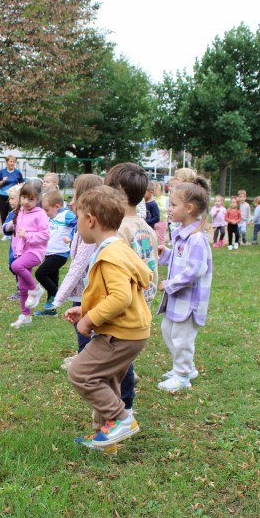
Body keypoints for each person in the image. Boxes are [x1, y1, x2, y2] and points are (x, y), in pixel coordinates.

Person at [66, 185, 153, 452]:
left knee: (80, 373)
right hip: (131, 331)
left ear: (90, 220)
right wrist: (85, 309)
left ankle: (122, 419)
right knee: (107, 379)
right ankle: (105, 439)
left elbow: (120, 297)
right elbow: (113, 293)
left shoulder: (110, 254)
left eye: (78, 217)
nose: (77, 223)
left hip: (121, 334)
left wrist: (88, 320)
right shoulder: (118, 247)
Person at [104, 162, 159, 410]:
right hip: (142, 305)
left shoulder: (118, 230)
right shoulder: (147, 228)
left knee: (114, 363)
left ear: (119, 192)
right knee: (124, 360)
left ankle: (123, 409)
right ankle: (125, 406)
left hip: (123, 307)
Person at [156, 177, 213, 392]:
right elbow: (181, 259)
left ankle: (182, 376)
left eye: (173, 204)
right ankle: (186, 368)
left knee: (182, 338)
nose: (169, 209)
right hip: (178, 299)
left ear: (189, 208)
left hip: (189, 301)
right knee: (167, 330)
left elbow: (196, 270)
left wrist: (171, 283)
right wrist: (166, 254)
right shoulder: (183, 235)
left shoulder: (196, 238)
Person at [52, 174, 103, 370]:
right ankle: (85, 357)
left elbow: (78, 265)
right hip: (83, 288)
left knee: (84, 325)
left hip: (86, 290)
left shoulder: (91, 231)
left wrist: (59, 297)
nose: (72, 202)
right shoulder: (85, 226)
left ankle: (86, 362)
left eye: (75, 196)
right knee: (82, 324)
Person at [8, 182, 49, 328]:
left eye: (31, 199)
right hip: (21, 252)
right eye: (24, 197)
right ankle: (25, 316)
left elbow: (45, 235)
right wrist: (16, 248)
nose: (26, 202)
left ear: (38, 199)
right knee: (22, 287)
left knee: (16, 266)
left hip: (35, 252)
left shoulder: (40, 214)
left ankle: (36, 289)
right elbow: (16, 234)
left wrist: (28, 235)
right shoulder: (20, 212)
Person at [33, 189, 76, 316]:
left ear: (57, 206)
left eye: (47, 210)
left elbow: (78, 225)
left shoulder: (66, 215)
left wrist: (71, 237)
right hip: (49, 253)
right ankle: (51, 310)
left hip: (60, 254)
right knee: (52, 279)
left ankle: (57, 295)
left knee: (40, 273)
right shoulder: (51, 215)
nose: (45, 213)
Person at [0, 155, 24, 238]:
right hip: (3, 195)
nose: (12, 163)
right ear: (7, 162)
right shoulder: (2, 172)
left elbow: (22, 182)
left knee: (13, 213)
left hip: (13, 196)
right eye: (11, 161)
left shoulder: (17, 172)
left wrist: (19, 188)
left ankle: (13, 231)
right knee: (3, 214)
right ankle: (5, 233)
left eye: (14, 162)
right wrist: (3, 181)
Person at [2, 184, 22, 300]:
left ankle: (21, 290)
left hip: (24, 246)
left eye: (12, 198)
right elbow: (5, 228)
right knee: (12, 265)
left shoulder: (28, 213)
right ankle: (25, 285)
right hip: (14, 245)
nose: (9, 201)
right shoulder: (12, 214)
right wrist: (10, 225)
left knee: (19, 266)